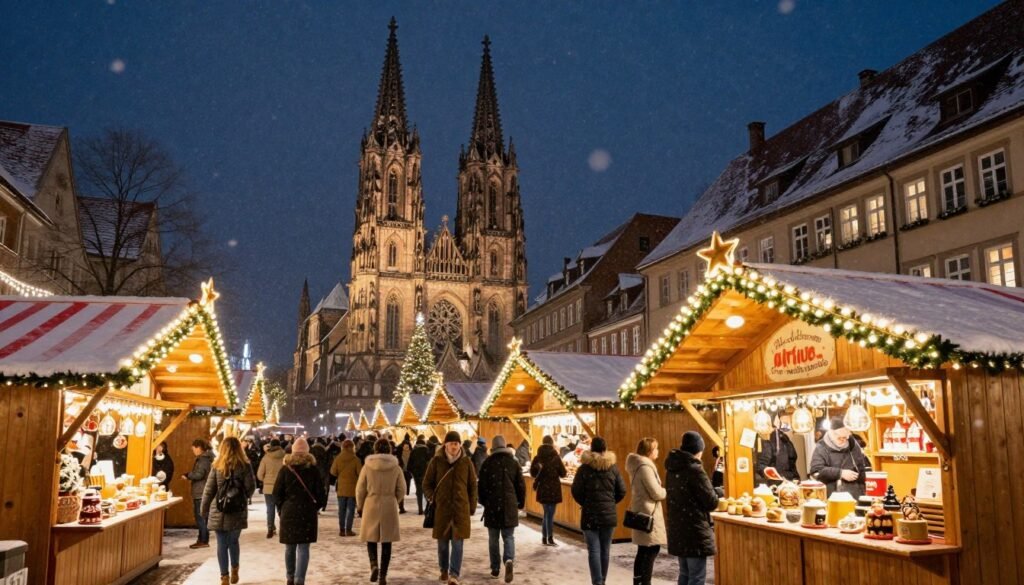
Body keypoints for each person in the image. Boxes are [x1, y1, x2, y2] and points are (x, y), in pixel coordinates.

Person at [423, 431, 478, 585]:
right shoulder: (436, 461)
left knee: (458, 543)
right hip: (442, 509)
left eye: (457, 443)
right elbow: (426, 484)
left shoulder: (466, 462)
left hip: (460, 509)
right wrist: (431, 497)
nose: (454, 446)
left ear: (460, 445)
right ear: (445, 444)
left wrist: (472, 506)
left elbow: (473, 486)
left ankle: (454, 574)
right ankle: (443, 570)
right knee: (442, 544)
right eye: (451, 443)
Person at [200, 437, 256, 585]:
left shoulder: (217, 465)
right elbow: (251, 487)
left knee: (221, 544)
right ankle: (235, 568)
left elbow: (209, 489)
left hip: (219, 508)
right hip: (237, 510)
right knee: (233, 541)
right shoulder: (245, 465)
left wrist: (204, 508)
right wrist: (241, 497)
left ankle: (224, 577)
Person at [665, 431, 719, 585]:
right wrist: (717, 493)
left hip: (678, 528)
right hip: (694, 530)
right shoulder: (694, 469)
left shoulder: (672, 468)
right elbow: (711, 502)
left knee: (685, 574)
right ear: (698, 450)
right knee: (696, 577)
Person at [571, 436, 626, 585]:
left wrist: (586, 502)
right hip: (608, 516)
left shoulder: (584, 469)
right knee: (605, 550)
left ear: (591, 449)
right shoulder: (613, 468)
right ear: (605, 449)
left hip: (589, 514)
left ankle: (597, 582)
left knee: (594, 550)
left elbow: (576, 491)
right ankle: (603, 580)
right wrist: (610, 503)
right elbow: (622, 490)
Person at [273, 437, 327, 585]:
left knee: (289, 547)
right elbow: (321, 495)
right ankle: (299, 579)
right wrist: (314, 507)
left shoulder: (285, 469)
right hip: (307, 512)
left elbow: (276, 493)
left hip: (289, 511)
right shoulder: (313, 470)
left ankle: (290, 577)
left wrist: (281, 509)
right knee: (303, 547)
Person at [356, 438, 406, 585]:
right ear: (389, 449)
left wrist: (360, 505)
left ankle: (373, 565)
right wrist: (395, 500)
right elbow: (402, 488)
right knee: (386, 541)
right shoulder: (396, 467)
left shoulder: (367, 466)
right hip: (389, 504)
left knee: (370, 538)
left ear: (375, 449)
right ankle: (383, 575)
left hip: (371, 503)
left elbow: (360, 488)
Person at [477, 435, 525, 583]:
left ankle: (495, 568)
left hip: (492, 505)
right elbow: (521, 486)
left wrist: (485, 502)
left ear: (493, 447)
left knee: (493, 539)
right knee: (508, 537)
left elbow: (481, 487)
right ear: (505, 446)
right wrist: (520, 503)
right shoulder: (514, 463)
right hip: (509, 505)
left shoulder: (487, 463)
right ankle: (509, 559)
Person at [626, 438, 667, 585]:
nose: (658, 451)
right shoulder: (645, 467)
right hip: (648, 513)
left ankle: (638, 581)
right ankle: (644, 582)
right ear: (649, 451)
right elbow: (656, 492)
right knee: (650, 550)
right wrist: (665, 491)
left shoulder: (637, 465)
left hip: (641, 510)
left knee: (643, 550)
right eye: (656, 448)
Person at [809, 417, 870, 498]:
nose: (844, 440)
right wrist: (840, 473)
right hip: (832, 496)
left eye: (846, 437)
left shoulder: (853, 445)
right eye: (841, 438)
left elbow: (863, 468)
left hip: (855, 496)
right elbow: (816, 471)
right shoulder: (821, 447)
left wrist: (868, 481)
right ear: (832, 434)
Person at [529, 435, 567, 546]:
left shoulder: (538, 457)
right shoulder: (556, 457)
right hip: (554, 488)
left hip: (542, 488)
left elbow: (532, 473)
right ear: (552, 444)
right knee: (550, 514)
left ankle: (545, 537)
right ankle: (549, 537)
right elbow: (563, 473)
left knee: (546, 513)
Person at [182, 438, 213, 549]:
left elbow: (199, 474)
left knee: (200, 517)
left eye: (194, 449)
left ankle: (203, 540)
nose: (193, 451)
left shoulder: (203, 460)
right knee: (202, 517)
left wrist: (188, 475)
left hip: (201, 491)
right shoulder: (207, 458)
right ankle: (202, 539)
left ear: (198, 448)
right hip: (204, 491)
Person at [330, 439, 362, 536]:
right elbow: (360, 473)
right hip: (352, 488)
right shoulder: (356, 459)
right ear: (352, 447)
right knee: (351, 510)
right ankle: (348, 530)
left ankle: (341, 530)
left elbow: (333, 472)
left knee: (341, 510)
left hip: (341, 488)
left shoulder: (338, 459)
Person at [257, 439, 286, 538]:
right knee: (281, 508)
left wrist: (266, 480)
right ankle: (284, 528)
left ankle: (270, 529)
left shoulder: (266, 458)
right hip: (282, 487)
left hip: (268, 488)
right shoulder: (285, 457)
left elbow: (260, 475)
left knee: (270, 509)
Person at [407, 435, 432, 514]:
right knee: (426, 492)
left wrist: (413, 473)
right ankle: (428, 508)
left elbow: (409, 465)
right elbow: (430, 463)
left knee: (419, 492)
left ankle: (420, 509)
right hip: (426, 474)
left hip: (417, 476)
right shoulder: (427, 450)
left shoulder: (414, 451)